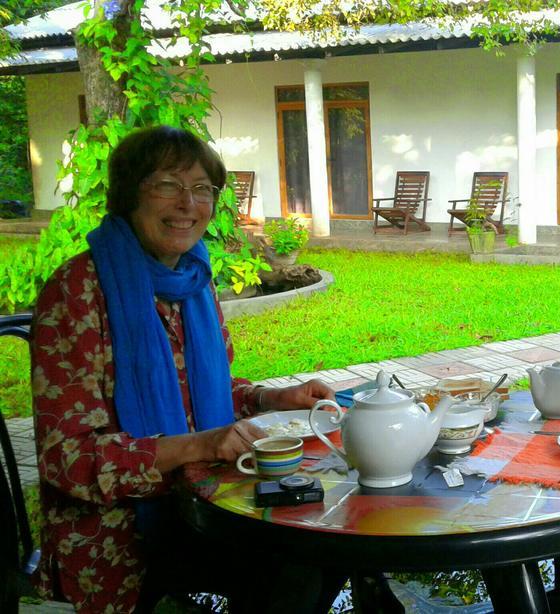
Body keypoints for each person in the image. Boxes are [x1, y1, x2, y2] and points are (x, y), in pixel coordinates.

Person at [30, 125, 337, 613]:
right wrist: (198, 444)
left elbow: (203, 394)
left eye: (201, 189)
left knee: (321, 539)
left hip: (202, 503)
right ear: (130, 194)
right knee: (296, 559)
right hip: (119, 534)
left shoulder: (193, 280)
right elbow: (67, 459)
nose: (188, 204)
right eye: (168, 185)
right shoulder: (77, 291)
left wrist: (271, 399)